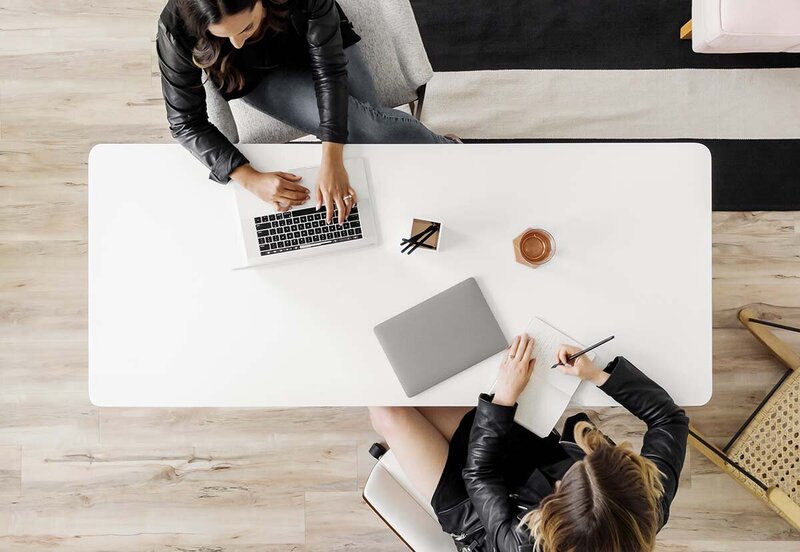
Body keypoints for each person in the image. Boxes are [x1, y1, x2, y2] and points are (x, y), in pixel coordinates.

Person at [369, 333, 689, 551]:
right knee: (419, 389)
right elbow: (669, 419)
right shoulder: (647, 501)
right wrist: (595, 374)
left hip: (480, 514)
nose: (562, 477)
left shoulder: (525, 545)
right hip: (528, 462)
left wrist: (505, 398)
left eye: (564, 485)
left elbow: (480, 474)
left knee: (389, 410)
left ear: (557, 514)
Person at [157, 0, 456, 224]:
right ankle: (450, 153)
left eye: (246, 26)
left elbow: (329, 69)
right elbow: (185, 122)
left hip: (319, 40)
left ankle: (448, 156)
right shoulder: (176, 26)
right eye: (223, 36)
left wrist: (332, 158)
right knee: (368, 132)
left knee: (367, 134)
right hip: (256, 75)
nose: (237, 42)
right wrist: (248, 177)